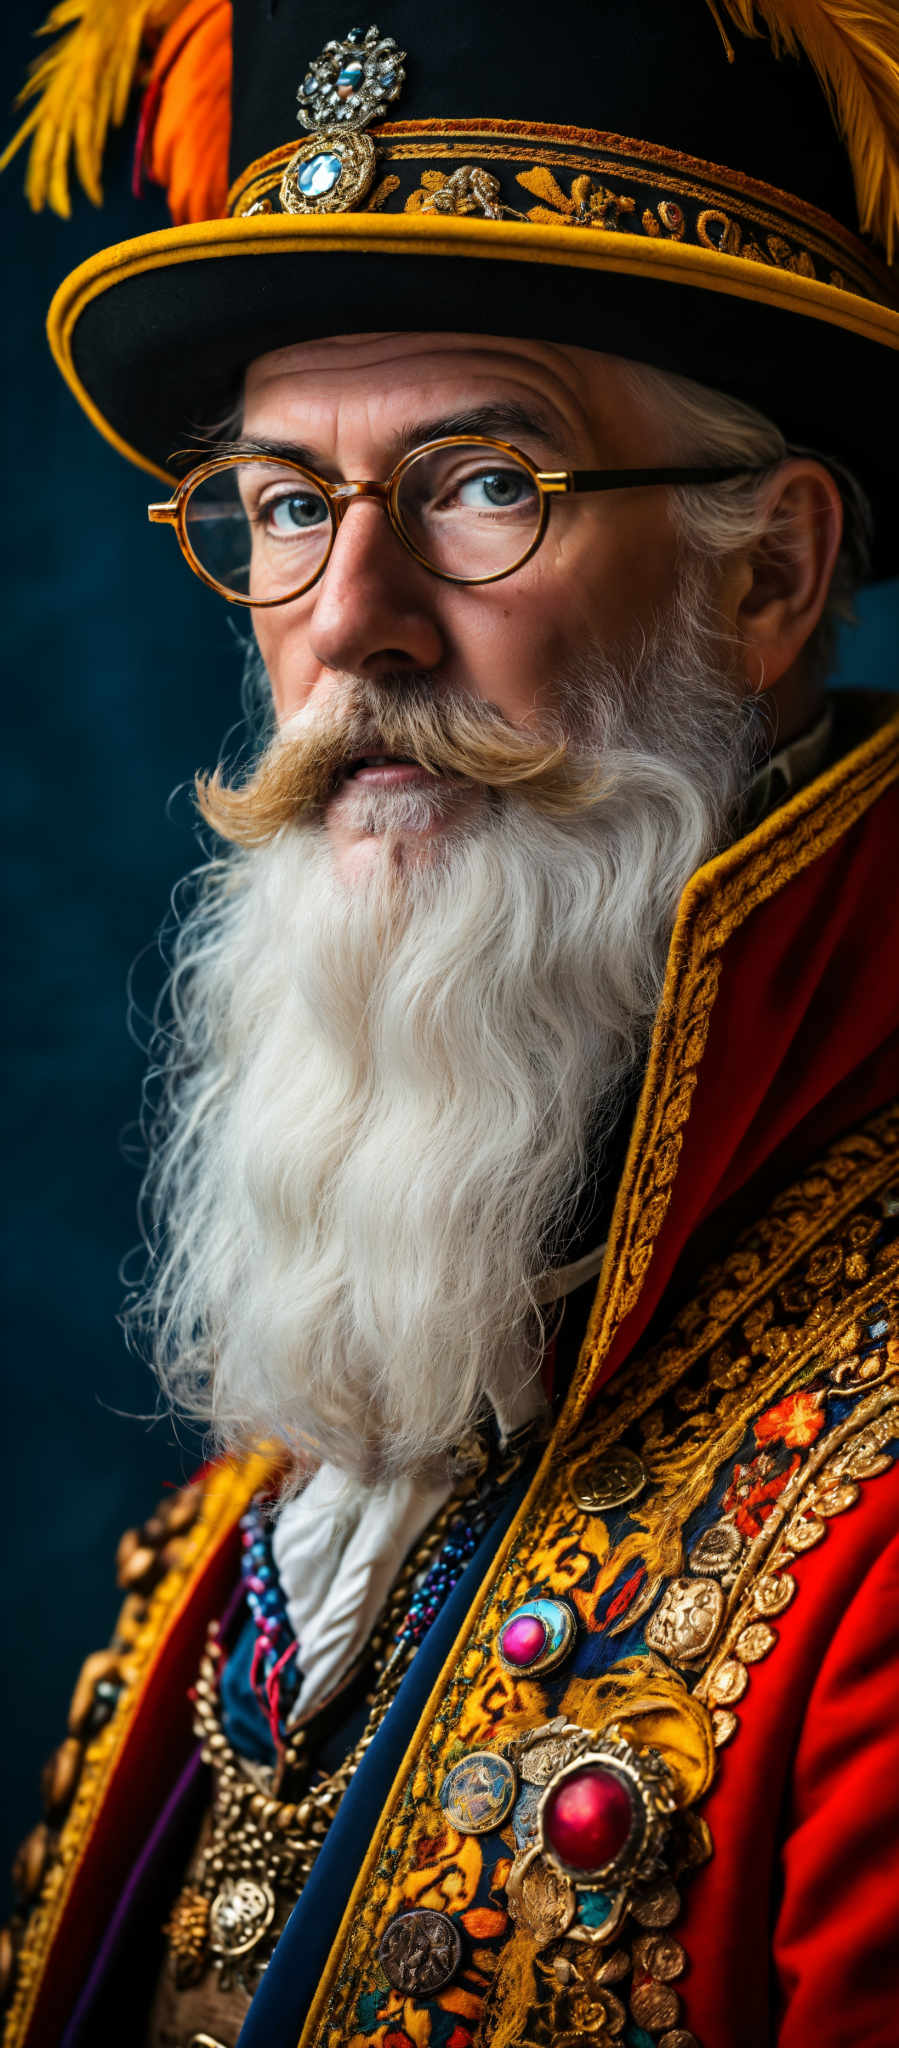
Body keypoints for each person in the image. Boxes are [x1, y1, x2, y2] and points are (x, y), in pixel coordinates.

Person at [2, 2, 898, 2044]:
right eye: (284, 499)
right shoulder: (277, 1480)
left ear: (771, 578)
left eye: (486, 480)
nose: (350, 617)